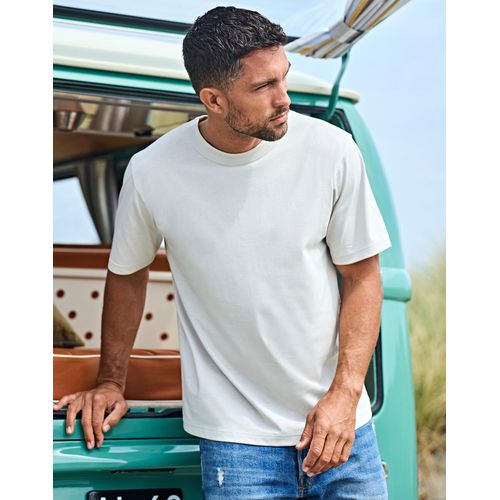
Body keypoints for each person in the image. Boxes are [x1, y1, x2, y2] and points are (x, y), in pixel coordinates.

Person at [53, 6, 391, 499]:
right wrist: (111, 381)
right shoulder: (153, 172)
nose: (284, 98)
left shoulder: (332, 150)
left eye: (283, 77)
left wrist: (345, 395)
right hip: (237, 444)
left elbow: (363, 277)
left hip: (343, 430)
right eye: (263, 86)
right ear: (212, 99)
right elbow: (127, 273)